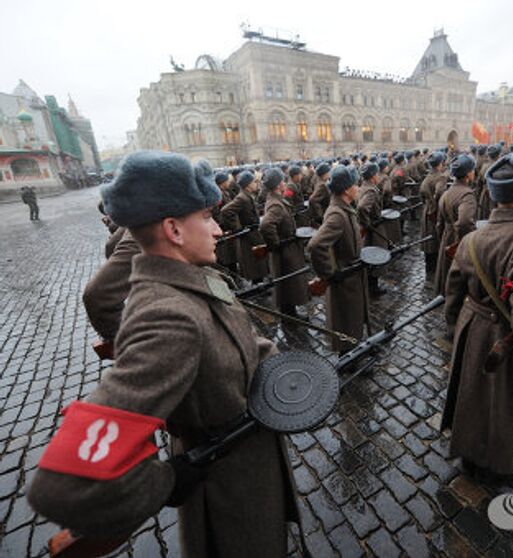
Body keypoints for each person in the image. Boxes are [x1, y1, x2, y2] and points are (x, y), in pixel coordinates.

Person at [27, 151, 299, 557]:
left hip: (249, 479)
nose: (218, 230)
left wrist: (281, 369)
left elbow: (240, 341)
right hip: (228, 497)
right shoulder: (166, 316)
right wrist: (166, 481)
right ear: (173, 228)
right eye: (206, 217)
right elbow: (65, 485)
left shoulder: (195, 281)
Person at [441, 151, 513, 481]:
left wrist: (455, 325)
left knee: (471, 394)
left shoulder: (472, 239)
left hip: (471, 325)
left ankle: (468, 455)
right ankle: (500, 469)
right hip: (503, 334)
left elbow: (453, 289)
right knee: (503, 400)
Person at [307, 165, 369, 354]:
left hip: (351, 275)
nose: (358, 188)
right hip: (345, 278)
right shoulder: (337, 214)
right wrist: (330, 274)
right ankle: (349, 357)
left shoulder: (343, 208)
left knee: (352, 317)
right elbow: (315, 245)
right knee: (347, 319)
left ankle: (352, 349)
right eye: (355, 185)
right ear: (346, 190)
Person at [258, 168, 311, 318]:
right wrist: (276, 244)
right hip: (285, 249)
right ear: (277, 185)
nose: (284, 183)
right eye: (282, 181)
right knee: (289, 281)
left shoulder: (276, 199)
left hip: (286, 248)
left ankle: (289, 311)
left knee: (287, 281)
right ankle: (290, 314)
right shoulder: (276, 204)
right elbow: (266, 225)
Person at [434, 154, 478, 297]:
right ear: (468, 174)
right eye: (472, 170)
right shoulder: (467, 195)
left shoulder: (446, 194)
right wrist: (466, 244)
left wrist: (445, 239)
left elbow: (439, 224)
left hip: (447, 238)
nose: (474, 173)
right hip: (459, 241)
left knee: (447, 272)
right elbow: (465, 222)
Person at [221, 171, 269, 282]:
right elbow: (225, 211)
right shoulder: (242, 198)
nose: (256, 184)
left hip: (253, 233)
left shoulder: (247, 196)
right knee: (252, 261)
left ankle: (259, 283)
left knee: (257, 260)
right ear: (247, 184)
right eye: (254, 182)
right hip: (248, 235)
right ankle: (257, 285)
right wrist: (237, 228)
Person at [356, 162, 388, 296]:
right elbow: (362, 207)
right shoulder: (371, 190)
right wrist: (368, 223)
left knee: (368, 254)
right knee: (375, 255)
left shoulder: (362, 187)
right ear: (373, 176)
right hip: (373, 228)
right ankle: (373, 288)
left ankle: (370, 284)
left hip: (367, 228)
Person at [419, 152, 449, 281]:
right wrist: (437, 201)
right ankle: (434, 272)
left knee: (428, 239)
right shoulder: (440, 177)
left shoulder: (428, 176)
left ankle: (429, 268)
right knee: (435, 238)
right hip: (435, 213)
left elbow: (422, 194)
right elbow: (440, 193)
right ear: (440, 164)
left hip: (427, 211)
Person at [308, 161, 332, 227]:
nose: (330, 173)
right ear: (324, 174)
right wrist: (321, 215)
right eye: (328, 172)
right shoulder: (322, 185)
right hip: (324, 211)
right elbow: (312, 199)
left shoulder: (322, 181)